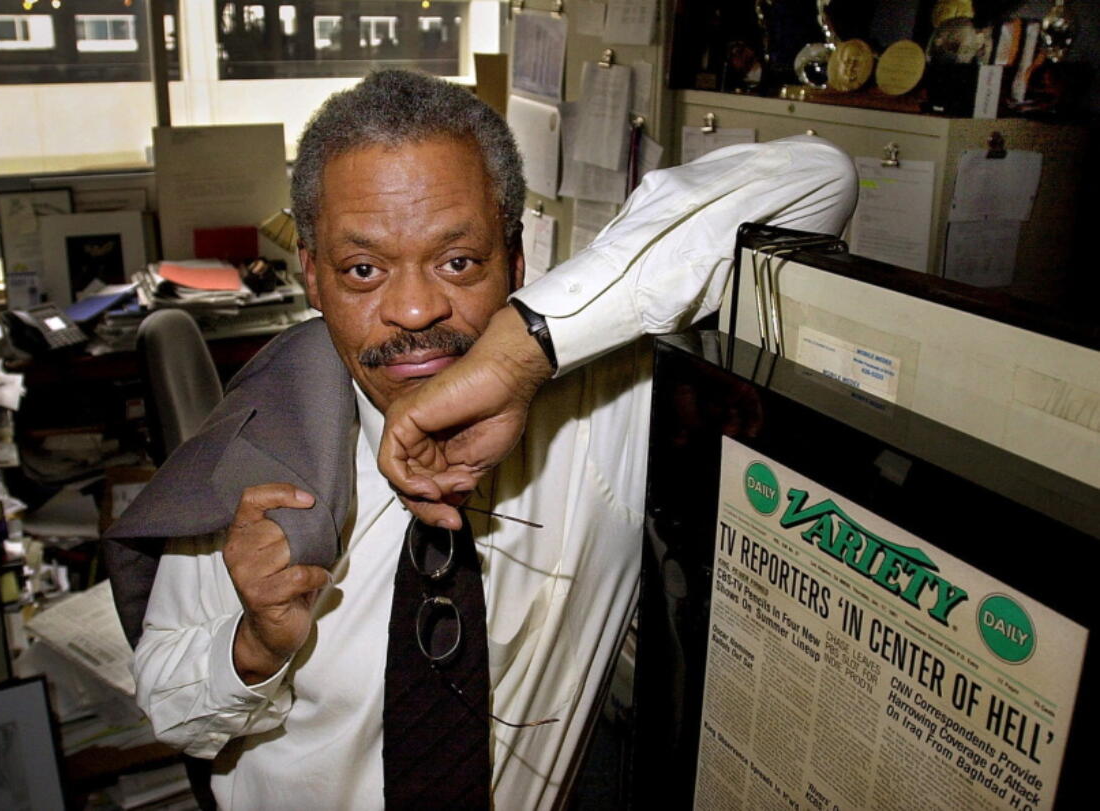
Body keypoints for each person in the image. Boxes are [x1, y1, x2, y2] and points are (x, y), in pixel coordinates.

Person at [125, 69, 857, 808]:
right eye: (364, 269)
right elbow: (168, 705)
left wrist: (520, 351)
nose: (412, 308)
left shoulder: (605, 411)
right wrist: (253, 647)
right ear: (313, 279)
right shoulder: (264, 454)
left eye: (458, 261)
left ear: (516, 260)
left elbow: (818, 181)